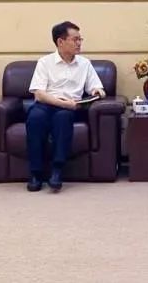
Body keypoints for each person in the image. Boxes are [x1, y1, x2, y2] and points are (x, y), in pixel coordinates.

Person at [25, 21, 105, 192]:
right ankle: (35, 173)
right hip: (46, 104)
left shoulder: (84, 64)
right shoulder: (45, 62)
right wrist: (63, 103)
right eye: (75, 39)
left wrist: (97, 91)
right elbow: (39, 94)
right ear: (60, 42)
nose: (79, 43)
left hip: (69, 109)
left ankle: (57, 171)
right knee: (35, 118)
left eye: (80, 39)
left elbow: (97, 88)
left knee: (63, 117)